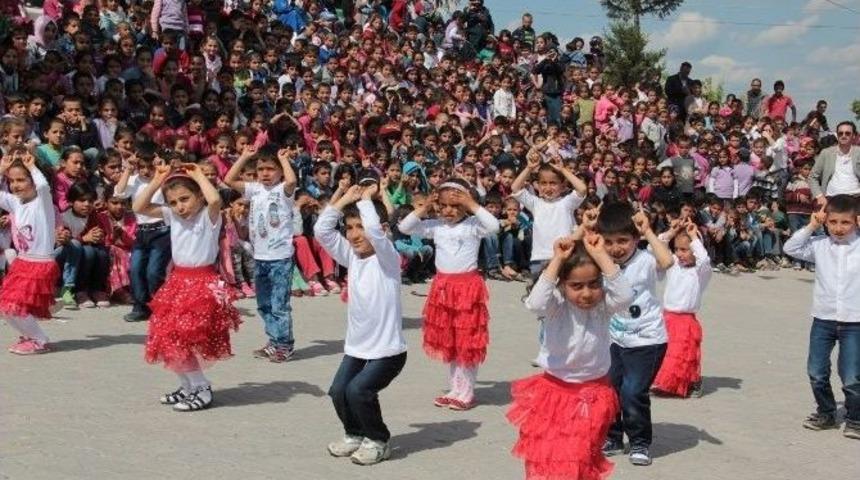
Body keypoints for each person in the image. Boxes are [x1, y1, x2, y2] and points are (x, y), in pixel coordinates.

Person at [508, 231, 633, 480]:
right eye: (576, 286)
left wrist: (600, 255)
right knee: (550, 454)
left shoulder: (603, 306)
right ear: (562, 285)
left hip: (593, 395)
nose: (586, 293)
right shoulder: (555, 305)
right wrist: (556, 260)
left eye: (594, 284)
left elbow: (626, 295)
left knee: (580, 455)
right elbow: (534, 303)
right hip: (553, 394)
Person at [132, 163, 241, 412]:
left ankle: (201, 387)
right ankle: (188, 385)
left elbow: (214, 200)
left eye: (185, 199)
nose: (180, 206)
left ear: (199, 196)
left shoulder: (208, 216)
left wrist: (199, 175)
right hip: (177, 283)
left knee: (183, 338)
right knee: (167, 336)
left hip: (201, 284)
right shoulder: (171, 216)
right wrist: (158, 180)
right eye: (173, 202)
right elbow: (139, 207)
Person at [314, 183, 408, 466]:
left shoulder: (387, 259)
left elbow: (377, 234)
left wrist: (368, 200)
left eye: (360, 227)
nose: (354, 234)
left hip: (388, 352)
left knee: (359, 391)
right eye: (350, 228)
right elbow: (321, 231)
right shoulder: (352, 257)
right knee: (338, 390)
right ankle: (354, 434)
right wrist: (344, 199)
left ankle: (379, 440)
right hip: (357, 348)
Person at [398, 178, 500, 410]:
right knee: (451, 341)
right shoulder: (435, 226)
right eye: (443, 205)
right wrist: (424, 208)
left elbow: (494, 226)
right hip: (443, 290)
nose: (448, 211)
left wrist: (472, 204)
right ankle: (455, 388)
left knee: (467, 341)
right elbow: (404, 227)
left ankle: (466, 392)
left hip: (467, 290)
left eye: (455, 205)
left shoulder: (474, 225)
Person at [598, 202, 674, 466]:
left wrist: (648, 231)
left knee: (632, 391)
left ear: (635, 239)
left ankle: (640, 442)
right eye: (609, 241)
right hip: (615, 339)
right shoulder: (603, 260)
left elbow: (667, 260)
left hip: (647, 340)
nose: (616, 247)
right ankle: (613, 436)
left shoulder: (644, 260)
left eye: (623, 240)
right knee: (610, 388)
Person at [783, 196, 860, 440]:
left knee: (851, 376)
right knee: (816, 371)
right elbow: (790, 248)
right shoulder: (819, 245)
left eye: (846, 222)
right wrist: (812, 226)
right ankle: (826, 412)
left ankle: (855, 418)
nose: (838, 228)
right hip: (823, 319)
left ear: (856, 222)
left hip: (854, 322)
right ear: (825, 221)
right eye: (833, 222)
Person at [224, 144, 299, 363]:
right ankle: (274, 341)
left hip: (280, 258)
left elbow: (292, 181)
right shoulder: (255, 189)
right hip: (261, 258)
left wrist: (284, 159)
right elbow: (229, 180)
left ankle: (285, 344)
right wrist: (244, 156)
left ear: (280, 171)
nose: (265, 173)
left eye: (270, 169)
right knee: (264, 304)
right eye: (261, 169)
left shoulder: (284, 190)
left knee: (279, 304)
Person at [0, 150, 59, 355]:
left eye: (21, 180)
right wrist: (1, 171)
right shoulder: (15, 202)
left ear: (32, 180)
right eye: (12, 180)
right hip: (22, 263)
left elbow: (43, 186)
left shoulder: (43, 203)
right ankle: (28, 335)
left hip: (40, 263)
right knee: (5, 306)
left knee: (16, 306)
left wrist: (32, 166)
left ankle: (39, 339)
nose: (15, 185)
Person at [652, 218, 712, 398]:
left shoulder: (700, 272)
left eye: (684, 250)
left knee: (685, 354)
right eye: (677, 249)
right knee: (667, 354)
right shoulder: (672, 265)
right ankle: (666, 384)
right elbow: (657, 245)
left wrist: (693, 237)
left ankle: (693, 382)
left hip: (685, 319)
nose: (679, 253)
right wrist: (671, 232)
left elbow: (705, 259)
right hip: (667, 317)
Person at [809, 121, 860, 205]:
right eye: (840, 133)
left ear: (854, 136)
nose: (843, 136)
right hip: (831, 199)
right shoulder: (826, 153)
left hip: (856, 199)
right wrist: (819, 196)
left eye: (847, 133)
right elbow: (812, 177)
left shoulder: (858, 152)